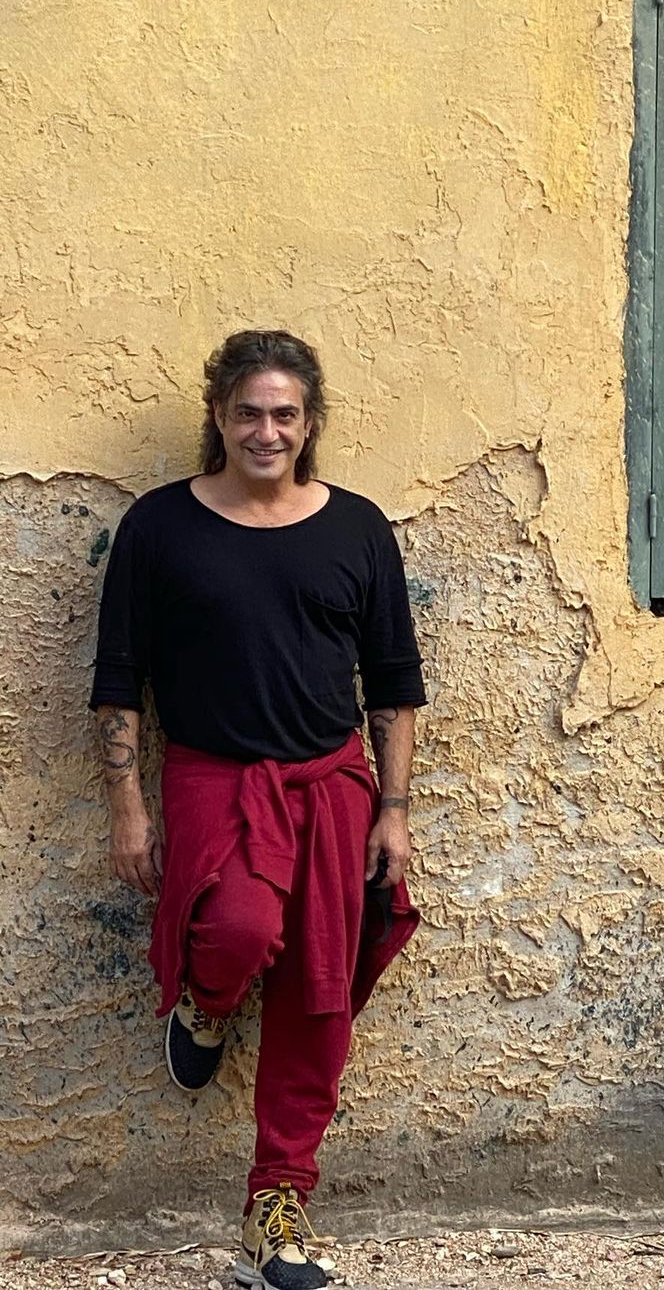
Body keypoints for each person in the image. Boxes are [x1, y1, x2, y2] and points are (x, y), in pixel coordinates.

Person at [89, 329, 426, 1290]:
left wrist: (393, 809)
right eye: (248, 412)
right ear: (218, 416)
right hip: (214, 778)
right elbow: (118, 681)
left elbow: (393, 684)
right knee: (236, 929)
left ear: (310, 423)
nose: (265, 431)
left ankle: (275, 1209)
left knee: (319, 995)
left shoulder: (357, 530)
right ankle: (205, 1004)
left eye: (284, 414)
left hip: (331, 783)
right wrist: (128, 808)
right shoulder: (160, 527)